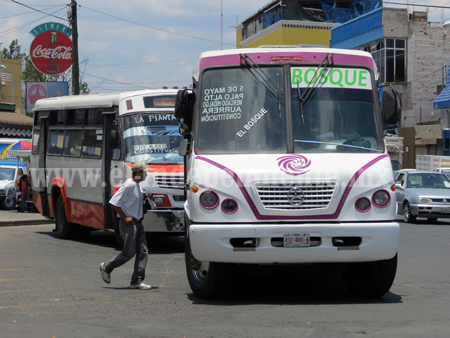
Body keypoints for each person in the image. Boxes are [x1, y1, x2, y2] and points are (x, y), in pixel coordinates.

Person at [99, 161, 152, 290]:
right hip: (129, 224)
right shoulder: (129, 185)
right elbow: (114, 203)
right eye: (145, 172)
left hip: (138, 223)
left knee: (143, 251)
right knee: (128, 253)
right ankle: (106, 267)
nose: (146, 175)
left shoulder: (137, 185)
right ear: (138, 172)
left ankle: (137, 280)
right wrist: (125, 217)